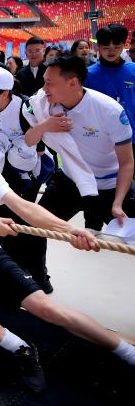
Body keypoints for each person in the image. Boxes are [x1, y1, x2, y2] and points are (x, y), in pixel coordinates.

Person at [0, 114, 135, 394]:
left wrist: (70, 230)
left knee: (47, 308)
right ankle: (21, 348)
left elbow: (24, 207)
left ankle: (125, 351)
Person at [23, 56, 135, 284]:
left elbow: (127, 163)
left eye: (49, 83)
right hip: (70, 180)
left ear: (72, 83)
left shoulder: (109, 110)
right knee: (34, 226)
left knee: (131, 235)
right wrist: (45, 126)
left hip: (109, 185)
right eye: (44, 81)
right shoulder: (45, 106)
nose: (44, 88)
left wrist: (117, 202)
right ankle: (37, 280)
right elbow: (28, 140)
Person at [0, 67, 55, 292]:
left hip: (25, 175)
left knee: (27, 224)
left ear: (4, 92)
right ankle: (10, 273)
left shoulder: (25, 107)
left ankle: (39, 275)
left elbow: (41, 142)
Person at [85, 24, 135, 142]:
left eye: (117, 46)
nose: (111, 51)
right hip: (102, 137)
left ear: (124, 45)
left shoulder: (133, 70)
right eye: (106, 47)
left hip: (132, 133)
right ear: (98, 46)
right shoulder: (87, 74)